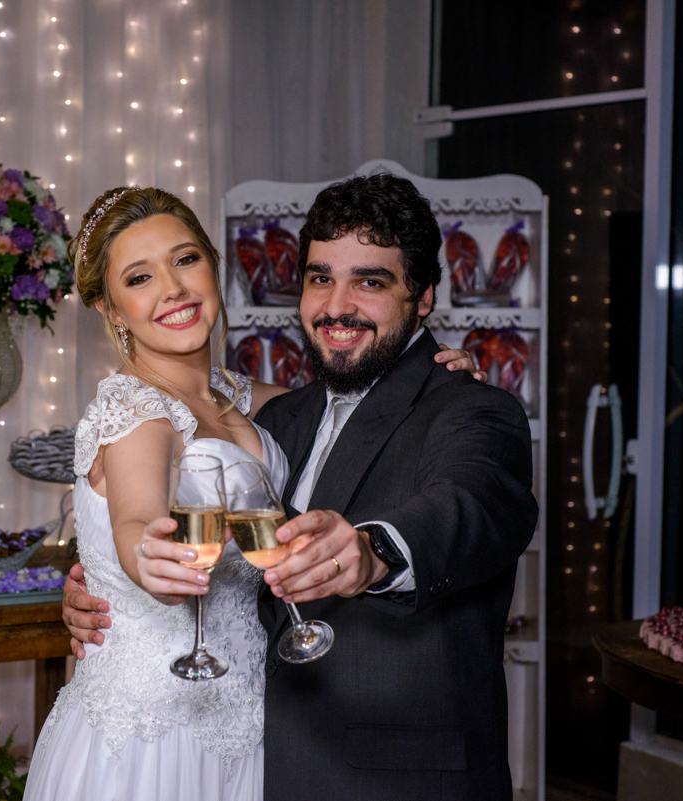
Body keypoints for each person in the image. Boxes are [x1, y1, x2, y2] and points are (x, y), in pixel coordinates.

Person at [62, 173, 538, 800]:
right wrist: (107, 578)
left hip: (394, 775)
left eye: (370, 281)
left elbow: (475, 506)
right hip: (244, 752)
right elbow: (137, 513)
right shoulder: (284, 416)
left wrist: (376, 551)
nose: (338, 305)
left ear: (422, 296)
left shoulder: (470, 409)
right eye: (321, 278)